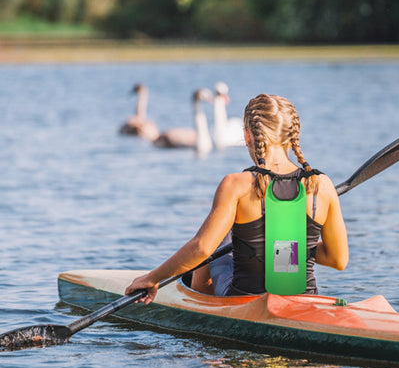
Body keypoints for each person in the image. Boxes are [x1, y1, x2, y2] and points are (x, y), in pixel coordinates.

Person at [125, 93, 348, 303]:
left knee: (220, 236)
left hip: (244, 298)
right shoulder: (322, 184)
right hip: (304, 299)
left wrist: (152, 278)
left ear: (247, 136)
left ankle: (199, 296)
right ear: (293, 136)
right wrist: (292, 247)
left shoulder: (236, 184)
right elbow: (337, 259)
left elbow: (202, 248)